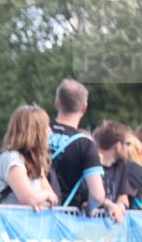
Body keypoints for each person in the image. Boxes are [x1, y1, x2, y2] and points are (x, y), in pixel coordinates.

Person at [49, 79, 124, 221]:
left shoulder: (37, 132)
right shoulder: (85, 144)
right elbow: (97, 195)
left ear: (57, 103)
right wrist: (90, 209)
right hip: (66, 220)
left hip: (32, 217)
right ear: (84, 107)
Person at [0, 104, 59, 209]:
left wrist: (41, 201)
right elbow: (29, 198)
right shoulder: (12, 158)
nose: (49, 130)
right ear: (33, 132)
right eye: (45, 126)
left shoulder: (34, 162)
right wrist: (45, 196)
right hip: (10, 223)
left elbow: (54, 199)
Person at [94, 121, 140, 210]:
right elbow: (87, 195)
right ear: (118, 146)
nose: (129, 149)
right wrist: (109, 205)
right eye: (128, 144)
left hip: (111, 222)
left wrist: (120, 206)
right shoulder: (92, 163)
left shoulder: (122, 165)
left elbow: (123, 197)